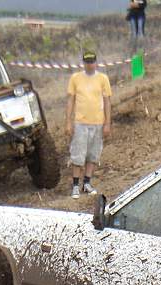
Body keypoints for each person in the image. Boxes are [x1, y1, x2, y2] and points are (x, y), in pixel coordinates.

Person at [66, 50, 112, 199]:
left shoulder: (103, 79)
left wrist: (107, 123)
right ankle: (75, 185)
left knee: (93, 154)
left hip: (98, 123)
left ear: (96, 62)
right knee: (78, 154)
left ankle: (87, 182)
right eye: (87, 62)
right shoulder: (75, 78)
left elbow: (107, 101)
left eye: (92, 62)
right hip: (80, 122)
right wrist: (68, 121)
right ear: (83, 63)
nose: (90, 65)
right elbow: (70, 100)